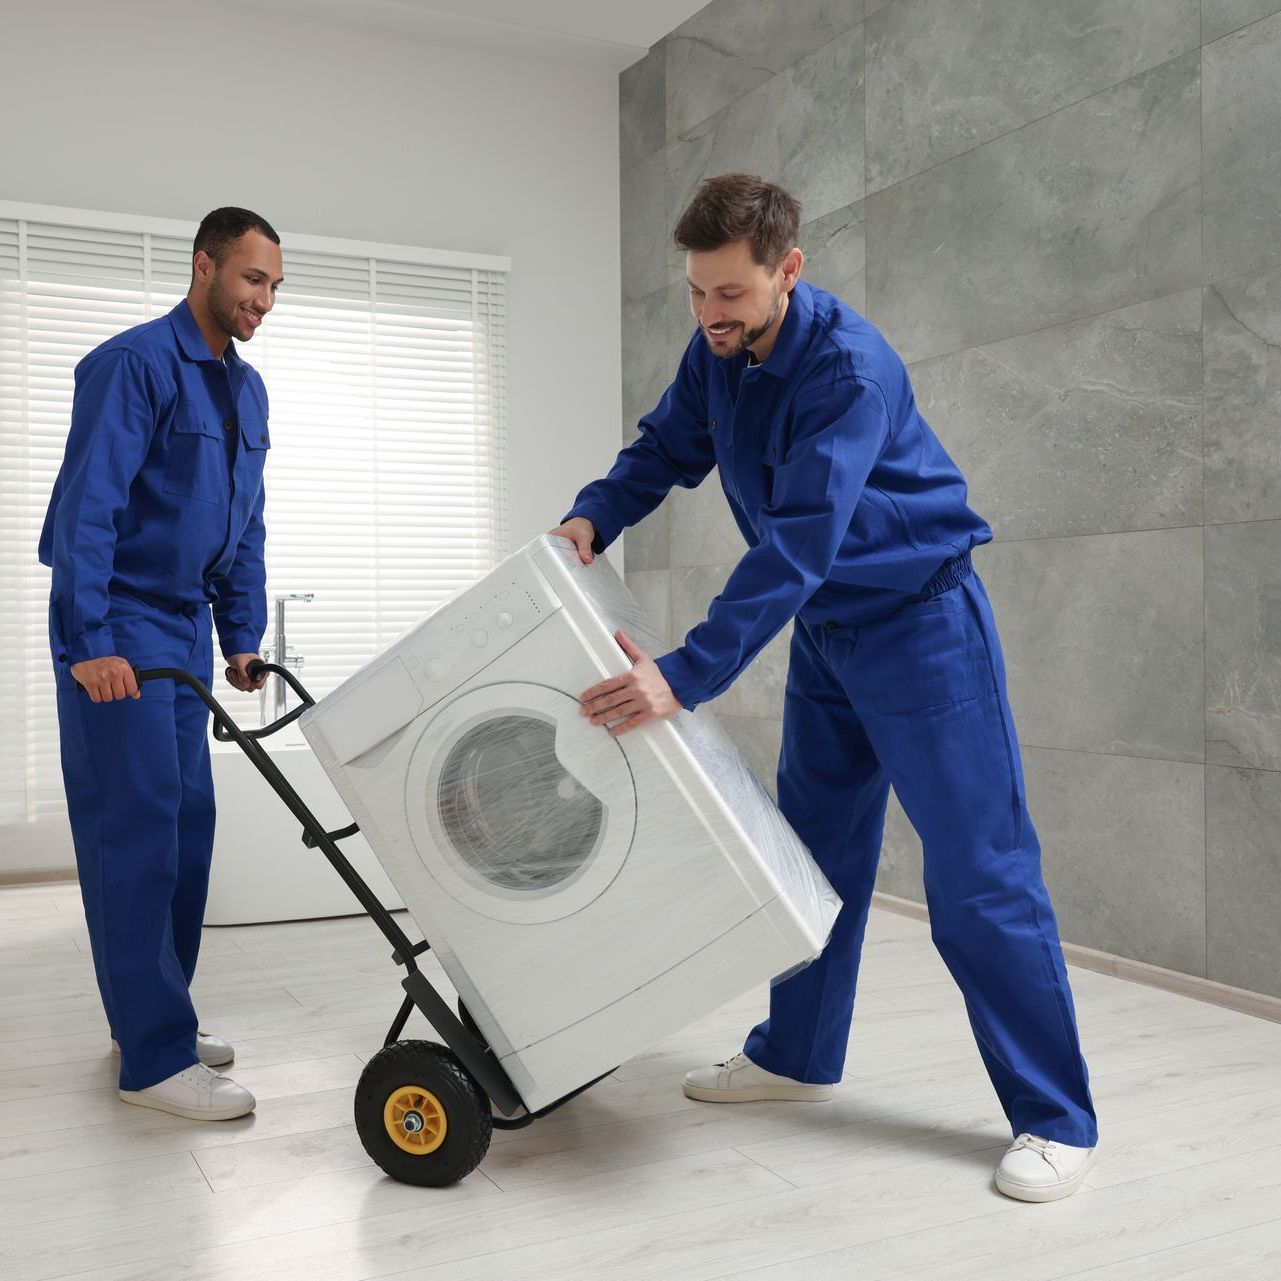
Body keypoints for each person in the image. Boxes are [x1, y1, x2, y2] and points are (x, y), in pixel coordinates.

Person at [552, 173, 1099, 1203]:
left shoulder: (849, 369)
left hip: (925, 629)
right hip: (832, 640)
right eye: (698, 294)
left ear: (788, 271)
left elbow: (799, 544)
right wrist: (594, 516)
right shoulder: (718, 350)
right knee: (808, 860)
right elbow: (670, 445)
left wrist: (686, 675)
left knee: (979, 875)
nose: (711, 315)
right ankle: (795, 1056)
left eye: (732, 296)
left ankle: (1056, 1118)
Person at [39, 207, 283, 1121]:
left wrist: (242, 635)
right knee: (134, 832)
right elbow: (86, 513)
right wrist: (89, 643)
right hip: (123, 624)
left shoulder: (246, 390)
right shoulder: (133, 364)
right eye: (251, 279)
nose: (263, 299)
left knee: (186, 826)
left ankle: (157, 1017)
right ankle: (153, 1058)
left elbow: (243, 523)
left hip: (182, 627)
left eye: (274, 287)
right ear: (205, 266)